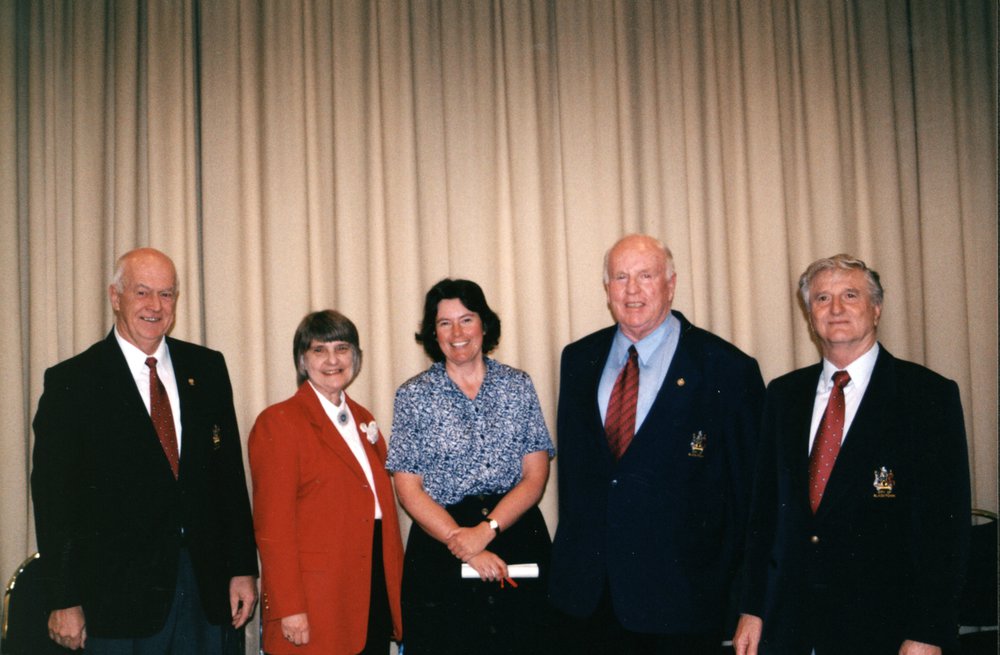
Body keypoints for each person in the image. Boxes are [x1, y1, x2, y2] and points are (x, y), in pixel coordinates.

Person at [733, 254, 970, 655]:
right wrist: (752, 608)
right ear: (810, 316)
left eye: (850, 295)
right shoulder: (784, 395)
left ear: (876, 309)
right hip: (790, 626)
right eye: (822, 298)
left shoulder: (926, 396)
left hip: (887, 629)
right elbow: (764, 515)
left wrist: (929, 630)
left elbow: (946, 527)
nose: (836, 309)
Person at [31, 247, 258, 653]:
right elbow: (54, 502)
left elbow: (229, 479)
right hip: (116, 601)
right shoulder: (73, 383)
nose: (155, 306)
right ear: (115, 297)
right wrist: (63, 598)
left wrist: (242, 568)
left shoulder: (206, 368)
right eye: (142, 292)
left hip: (204, 590)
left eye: (167, 294)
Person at [548, 234, 765, 654]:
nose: (632, 290)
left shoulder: (726, 369)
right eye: (620, 277)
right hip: (586, 605)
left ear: (671, 283)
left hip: (682, 607)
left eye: (646, 276)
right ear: (607, 288)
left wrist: (748, 605)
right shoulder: (578, 359)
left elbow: (751, 503)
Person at [386, 278, 555, 655]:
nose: (457, 332)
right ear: (433, 332)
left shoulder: (518, 386)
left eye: (467, 319)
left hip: (514, 533)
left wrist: (487, 530)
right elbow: (408, 489)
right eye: (445, 323)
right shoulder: (412, 396)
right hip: (440, 543)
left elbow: (535, 476)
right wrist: (464, 543)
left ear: (484, 324)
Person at [248, 310, 404, 654]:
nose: (333, 359)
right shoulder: (279, 422)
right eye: (319, 350)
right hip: (316, 605)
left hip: (369, 595)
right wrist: (290, 608)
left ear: (356, 358)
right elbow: (273, 529)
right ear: (302, 361)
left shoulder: (365, 419)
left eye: (342, 348)